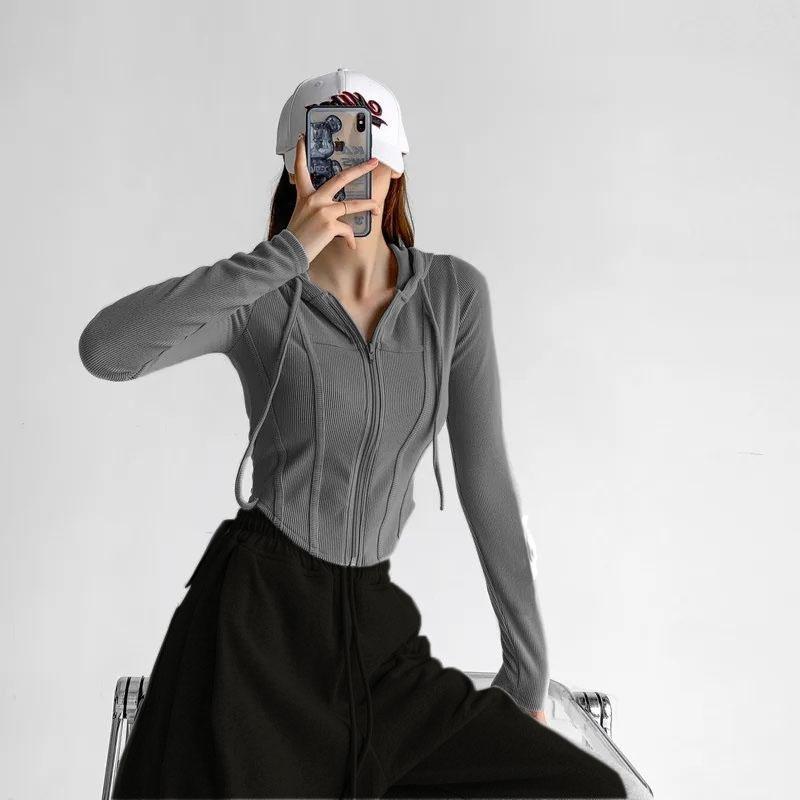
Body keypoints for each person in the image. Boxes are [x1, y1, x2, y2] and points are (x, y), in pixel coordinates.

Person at [80, 67, 627, 799]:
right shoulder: (260, 296)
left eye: (366, 150)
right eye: (327, 151)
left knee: (582, 788)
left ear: (396, 165)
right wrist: (285, 254)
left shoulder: (453, 296)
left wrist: (526, 673)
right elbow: (107, 351)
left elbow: (486, 481)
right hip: (253, 626)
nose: (349, 173)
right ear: (295, 167)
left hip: (373, 634)